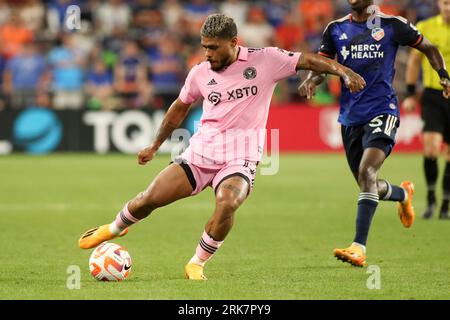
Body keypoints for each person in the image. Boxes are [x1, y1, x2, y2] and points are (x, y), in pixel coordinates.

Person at [78, 13, 366, 280]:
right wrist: (155, 145)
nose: (207, 54)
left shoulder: (265, 60)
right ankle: (113, 228)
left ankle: (197, 262)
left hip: (241, 157)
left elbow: (309, 60)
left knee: (227, 203)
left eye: (213, 48)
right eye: (204, 47)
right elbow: (179, 108)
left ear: (233, 43)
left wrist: (343, 72)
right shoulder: (199, 73)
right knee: (149, 199)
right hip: (201, 154)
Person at [299, 0, 450, 267]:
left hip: (383, 110)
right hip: (350, 118)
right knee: (367, 183)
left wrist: (443, 74)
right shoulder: (335, 29)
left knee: (368, 171)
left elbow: (428, 47)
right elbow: (324, 65)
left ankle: (359, 247)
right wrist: (312, 79)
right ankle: (402, 195)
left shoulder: (393, 26)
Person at [403, 0, 450, 220]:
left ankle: (445, 205)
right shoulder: (426, 26)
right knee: (431, 148)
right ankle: (431, 200)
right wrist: (411, 93)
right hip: (433, 95)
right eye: (445, 3)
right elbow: (414, 62)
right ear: (439, 5)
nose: (448, 8)